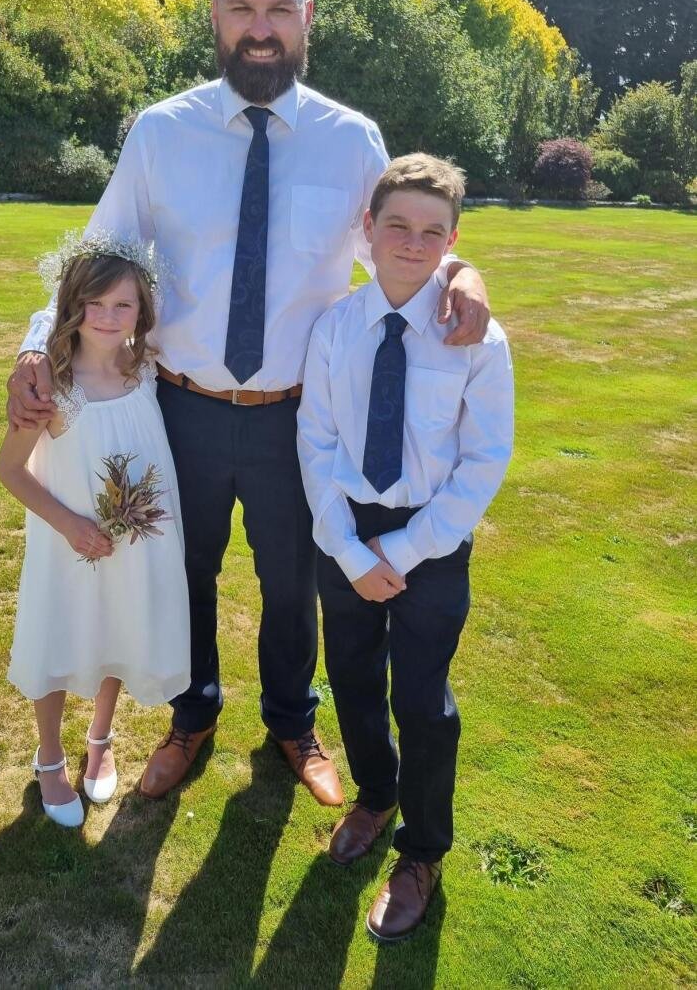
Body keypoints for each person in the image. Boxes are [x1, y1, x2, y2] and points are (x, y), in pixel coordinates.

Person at [6, 0, 492, 806]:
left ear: (306, 19)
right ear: (217, 17)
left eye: (278, 11)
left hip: (296, 417)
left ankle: (292, 722)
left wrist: (465, 272)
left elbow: (405, 240)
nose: (259, 30)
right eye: (242, 9)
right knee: (179, 571)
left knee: (291, 581)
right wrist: (35, 346)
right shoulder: (162, 132)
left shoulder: (352, 141)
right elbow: (94, 255)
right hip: (179, 408)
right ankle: (190, 717)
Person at [297, 153, 514, 939]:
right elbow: (315, 443)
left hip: (432, 539)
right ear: (369, 230)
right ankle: (375, 793)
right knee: (352, 676)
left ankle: (421, 850)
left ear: (453, 240)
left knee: (422, 699)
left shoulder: (478, 341)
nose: (412, 243)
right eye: (397, 225)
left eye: (432, 231)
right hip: (345, 531)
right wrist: (355, 555)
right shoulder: (336, 328)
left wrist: (409, 551)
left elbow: (485, 458)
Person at [0, 235, 190, 827]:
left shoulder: (147, 367)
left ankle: (100, 738)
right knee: (60, 635)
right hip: (69, 542)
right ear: (71, 305)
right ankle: (49, 756)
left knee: (118, 628)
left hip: (136, 540)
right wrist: (70, 524)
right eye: (93, 304)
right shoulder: (52, 385)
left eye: (122, 306)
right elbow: (9, 469)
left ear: (142, 312)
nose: (107, 318)